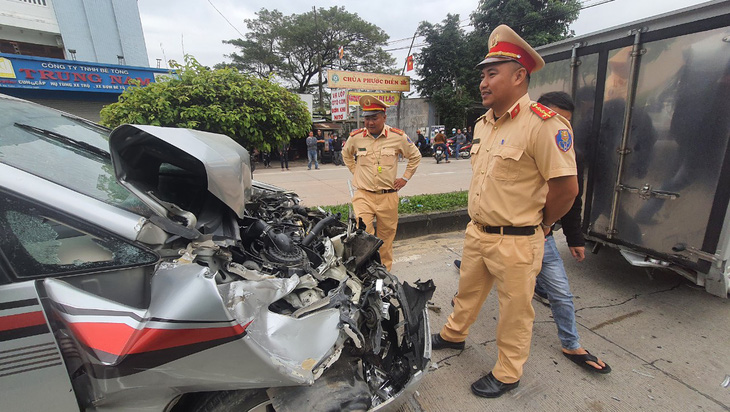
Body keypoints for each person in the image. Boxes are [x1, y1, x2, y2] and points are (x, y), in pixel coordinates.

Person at [431, 25, 578, 399]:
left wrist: (544, 225)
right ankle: (454, 335)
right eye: (483, 74)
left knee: (515, 312)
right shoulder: (484, 124)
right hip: (477, 232)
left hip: (517, 240)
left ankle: (508, 372)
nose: (483, 81)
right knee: (467, 293)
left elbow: (566, 188)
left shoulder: (543, 124)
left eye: (491, 73)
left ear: (518, 76)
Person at [455, 91, 610, 375]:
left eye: (566, 122)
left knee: (541, 300)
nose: (559, 127)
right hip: (485, 234)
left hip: (533, 234)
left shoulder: (561, 144)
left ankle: (556, 351)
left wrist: (560, 231)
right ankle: (453, 335)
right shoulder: (495, 127)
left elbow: (571, 197)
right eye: (556, 118)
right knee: (468, 291)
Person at [342, 94, 421, 271]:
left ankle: (384, 274)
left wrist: (405, 178)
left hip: (388, 197)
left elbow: (415, 156)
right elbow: (346, 155)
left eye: (374, 118)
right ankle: (367, 271)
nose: (370, 123)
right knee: (364, 235)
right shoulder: (356, 137)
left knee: (386, 239)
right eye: (367, 118)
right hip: (363, 195)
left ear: (384, 117)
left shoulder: (397, 137)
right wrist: (356, 172)